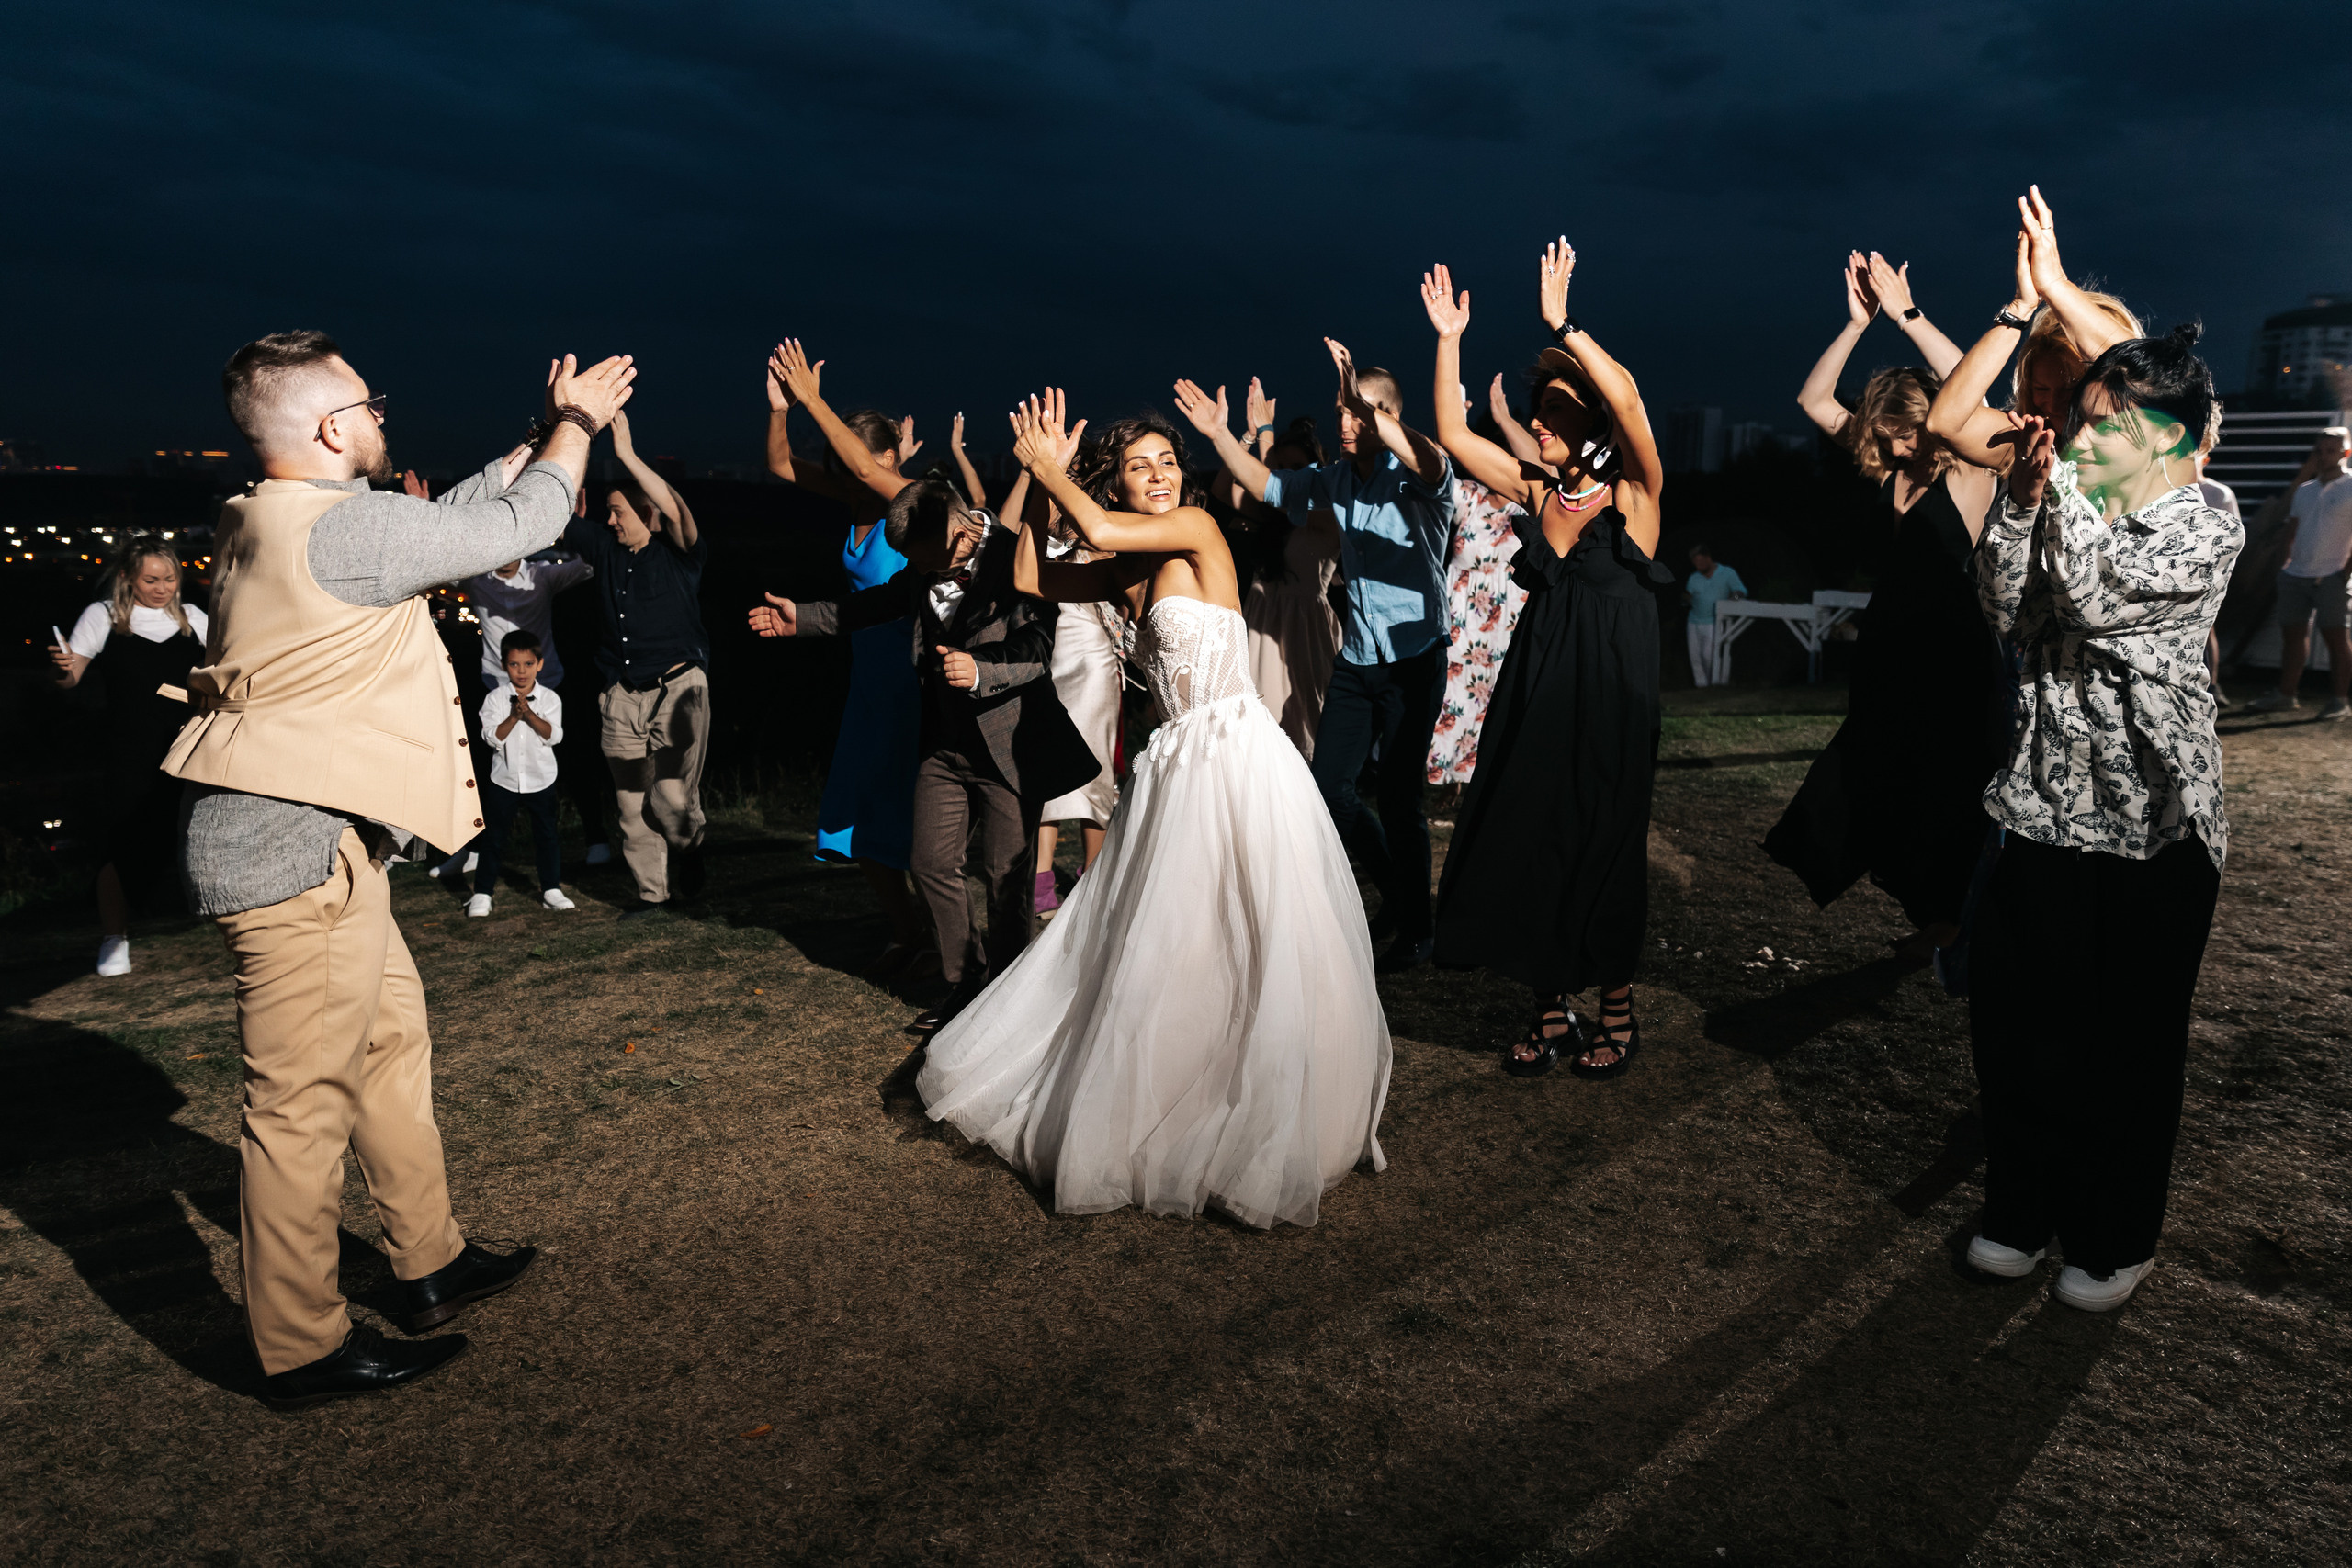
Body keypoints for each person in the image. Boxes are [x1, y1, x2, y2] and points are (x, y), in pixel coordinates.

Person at [165, 330, 634, 1405]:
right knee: (298, 1112)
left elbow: (442, 524)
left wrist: (537, 433)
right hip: (291, 856)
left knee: (389, 1046)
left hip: (328, 843)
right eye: (369, 404)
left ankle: (431, 1261)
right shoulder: (349, 529)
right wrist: (576, 428)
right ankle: (300, 1346)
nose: (383, 416)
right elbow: (514, 527)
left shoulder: (262, 515)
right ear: (331, 428)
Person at [915, 390, 1391, 1229]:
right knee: (1176, 939)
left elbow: (1096, 525)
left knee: (1253, 926)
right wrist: (1039, 481)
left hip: (1235, 756)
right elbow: (1028, 575)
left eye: (1168, 461)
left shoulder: (1198, 531)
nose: (1161, 474)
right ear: (1119, 482)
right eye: (1141, 466)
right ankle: (1182, 1080)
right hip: (1172, 769)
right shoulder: (1120, 569)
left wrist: (1053, 473)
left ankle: (1261, 1095)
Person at [1968, 322, 2241, 1314]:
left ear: (2170, 438)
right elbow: (2004, 608)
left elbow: (2087, 597)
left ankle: (2113, 1237)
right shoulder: (2068, 503)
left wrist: (2059, 497)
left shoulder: (2207, 523)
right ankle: (2020, 1212)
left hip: (2154, 828)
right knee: (2025, 1030)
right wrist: (2019, 502)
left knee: (2128, 1045)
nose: (2077, 440)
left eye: (2101, 426)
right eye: (2079, 421)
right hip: (2047, 806)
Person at [1419, 242, 1669, 1077]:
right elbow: (1454, 433)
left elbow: (1629, 398)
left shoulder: (1634, 496)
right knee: (1532, 831)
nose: (1540, 423)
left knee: (1606, 839)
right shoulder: (1538, 491)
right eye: (1538, 412)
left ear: (1593, 422)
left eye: (1558, 412)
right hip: (1535, 685)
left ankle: (1617, 1009)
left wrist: (1565, 325)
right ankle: (1550, 1008)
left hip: (1614, 695)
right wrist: (1450, 338)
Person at [750, 478, 1099, 1032]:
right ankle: (966, 983)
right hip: (943, 744)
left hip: (1009, 746)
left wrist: (982, 669)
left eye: (922, 559)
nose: (916, 569)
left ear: (960, 534)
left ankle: (1009, 997)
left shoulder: (1017, 557)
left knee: (1006, 877)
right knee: (930, 862)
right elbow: (879, 602)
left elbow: (1037, 647)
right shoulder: (923, 565)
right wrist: (804, 618)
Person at [1173, 340, 1456, 971]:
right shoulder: (1334, 480)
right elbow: (1268, 486)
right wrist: (1220, 435)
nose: (1345, 421)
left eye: (1358, 411)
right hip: (1357, 661)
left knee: (1401, 799)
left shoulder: (1422, 479)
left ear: (1388, 416)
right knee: (1328, 790)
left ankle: (1418, 928)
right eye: (1341, 411)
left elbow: (1431, 456)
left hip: (1413, 659)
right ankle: (1393, 892)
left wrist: (1364, 398)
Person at [1766, 251, 2006, 956]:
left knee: (1949, 784)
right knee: (1881, 778)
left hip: (1954, 651)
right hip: (1888, 649)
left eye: (1911, 432)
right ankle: (1933, 913)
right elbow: (1814, 401)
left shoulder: (1969, 471)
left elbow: (1979, 399)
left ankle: (1951, 919)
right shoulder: (1884, 467)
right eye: (1887, 434)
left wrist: (1907, 317)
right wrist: (1855, 325)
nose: (1900, 447)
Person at [765, 343, 931, 970]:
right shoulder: (853, 499)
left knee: (910, 818)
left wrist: (814, 398)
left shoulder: (911, 502)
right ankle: (908, 931)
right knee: (856, 815)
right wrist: (781, 408)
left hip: (912, 677)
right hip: (869, 679)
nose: (846, 468)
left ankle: (942, 936)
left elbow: (868, 472)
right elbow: (779, 465)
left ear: (889, 459)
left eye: (857, 459)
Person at [564, 406, 710, 916]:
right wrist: (571, 434)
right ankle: (654, 896)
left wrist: (626, 453)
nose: (609, 520)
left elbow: (676, 512)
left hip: (678, 689)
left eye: (618, 512)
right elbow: (555, 516)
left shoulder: (679, 554)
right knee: (630, 806)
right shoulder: (605, 549)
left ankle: (689, 845)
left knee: (670, 799)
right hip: (622, 695)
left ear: (646, 514)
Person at [48, 534, 210, 976]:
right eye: (151, 580)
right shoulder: (103, 615)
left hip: (189, 746)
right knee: (121, 839)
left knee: (199, 835)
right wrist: (61, 669)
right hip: (129, 749)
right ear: (127, 578)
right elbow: (70, 679)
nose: (163, 589)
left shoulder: (193, 617)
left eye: (170, 579)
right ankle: (114, 939)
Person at [1925, 185, 2142, 479]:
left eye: (2070, 389)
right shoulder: (2030, 444)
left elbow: (2143, 375)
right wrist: (2019, 310)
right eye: (2041, 390)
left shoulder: (2155, 439)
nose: (2052, 404)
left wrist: (2054, 284)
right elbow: (1944, 423)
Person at [1218, 394, 1341, 760]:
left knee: (1306, 720)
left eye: (1298, 467)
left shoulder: (1327, 515)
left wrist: (1268, 438)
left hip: (1303, 627)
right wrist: (1249, 436)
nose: (1288, 474)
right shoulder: (1271, 516)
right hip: (1261, 623)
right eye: (1282, 467)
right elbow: (1223, 489)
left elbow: (1281, 494)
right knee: (1259, 720)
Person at [468, 629, 574, 916]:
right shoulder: (494, 699)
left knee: (546, 835)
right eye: (514, 664)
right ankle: (482, 893)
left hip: (541, 779)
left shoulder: (550, 698)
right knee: (493, 838)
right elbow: (492, 737)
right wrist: (514, 716)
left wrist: (528, 714)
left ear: (540, 664)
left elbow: (554, 735)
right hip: (504, 778)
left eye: (528, 664)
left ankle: (551, 889)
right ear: (504, 665)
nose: (522, 671)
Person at [2248, 426, 2352, 718]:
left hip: (2332, 574)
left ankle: (2340, 701)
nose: (2323, 455)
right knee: (2293, 636)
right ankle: (2286, 695)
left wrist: (2344, 573)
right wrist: (2284, 568)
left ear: (2345, 452)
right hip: (2296, 574)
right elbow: (2290, 531)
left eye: (2331, 450)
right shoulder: (2305, 490)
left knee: (2336, 638)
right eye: (2319, 450)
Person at [2195, 440, 2241, 704]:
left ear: (2205, 459)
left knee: (2208, 626)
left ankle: (2213, 685)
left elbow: (2233, 536)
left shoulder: (2218, 493)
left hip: (2209, 573)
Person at [1681, 544, 1747, 687]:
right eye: (1695, 562)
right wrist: (1686, 599)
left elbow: (1741, 591)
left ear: (1708, 558)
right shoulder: (1694, 578)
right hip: (1693, 621)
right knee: (1695, 657)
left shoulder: (1727, 572)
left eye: (1701, 561)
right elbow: (1688, 595)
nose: (1698, 565)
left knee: (1709, 655)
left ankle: (1715, 683)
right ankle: (1701, 686)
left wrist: (1733, 600)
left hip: (1714, 621)